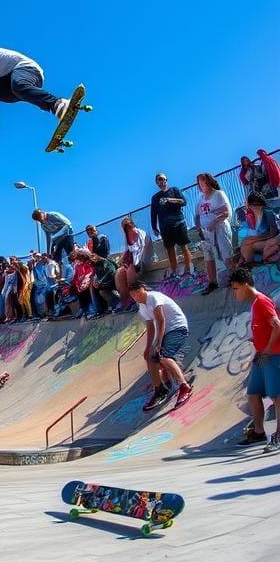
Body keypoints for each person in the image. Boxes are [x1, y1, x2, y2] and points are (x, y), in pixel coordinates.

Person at [229, 268, 280, 451]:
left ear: (244, 285)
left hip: (273, 355)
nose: (235, 292)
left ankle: (277, 436)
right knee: (253, 393)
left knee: (276, 397)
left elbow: (277, 325)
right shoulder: (254, 304)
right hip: (261, 356)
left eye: (235, 288)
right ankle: (258, 432)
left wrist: (266, 349)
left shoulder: (262, 302)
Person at [129, 280, 193, 411]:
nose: (135, 296)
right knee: (150, 358)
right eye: (132, 295)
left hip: (177, 328)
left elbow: (160, 320)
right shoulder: (142, 306)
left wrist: (158, 343)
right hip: (166, 332)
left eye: (137, 293)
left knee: (163, 355)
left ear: (143, 289)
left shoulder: (153, 297)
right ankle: (160, 389)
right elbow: (150, 327)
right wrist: (148, 348)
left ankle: (184, 386)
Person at [195, 172, 235, 295]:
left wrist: (215, 221)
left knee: (226, 254)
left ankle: (235, 277)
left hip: (220, 228)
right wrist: (198, 227)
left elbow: (226, 212)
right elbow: (197, 215)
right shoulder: (200, 200)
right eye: (200, 182)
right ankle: (212, 282)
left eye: (204, 181)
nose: (203, 184)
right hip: (206, 232)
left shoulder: (218, 195)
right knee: (208, 257)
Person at [150, 173, 193, 277]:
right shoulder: (155, 198)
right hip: (165, 227)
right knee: (170, 250)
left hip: (178, 223)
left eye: (164, 179)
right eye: (160, 179)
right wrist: (154, 227)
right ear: (157, 182)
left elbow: (184, 202)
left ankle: (189, 269)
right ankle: (174, 272)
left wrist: (170, 200)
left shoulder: (174, 190)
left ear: (167, 180)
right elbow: (153, 213)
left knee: (183, 246)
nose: (162, 181)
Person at [238, 192, 280, 267]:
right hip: (264, 240)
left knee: (250, 244)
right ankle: (246, 263)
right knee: (245, 242)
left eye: (249, 204)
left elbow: (273, 232)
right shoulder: (252, 218)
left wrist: (255, 239)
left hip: (274, 239)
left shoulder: (268, 213)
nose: (248, 206)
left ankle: (249, 264)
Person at [116, 216, 147, 305]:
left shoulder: (141, 233)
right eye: (124, 227)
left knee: (129, 271)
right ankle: (126, 301)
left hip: (142, 261)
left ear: (132, 224)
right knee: (119, 273)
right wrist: (122, 260)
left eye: (128, 225)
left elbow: (143, 249)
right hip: (132, 262)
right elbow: (127, 250)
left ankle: (136, 300)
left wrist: (134, 264)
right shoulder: (127, 237)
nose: (127, 228)